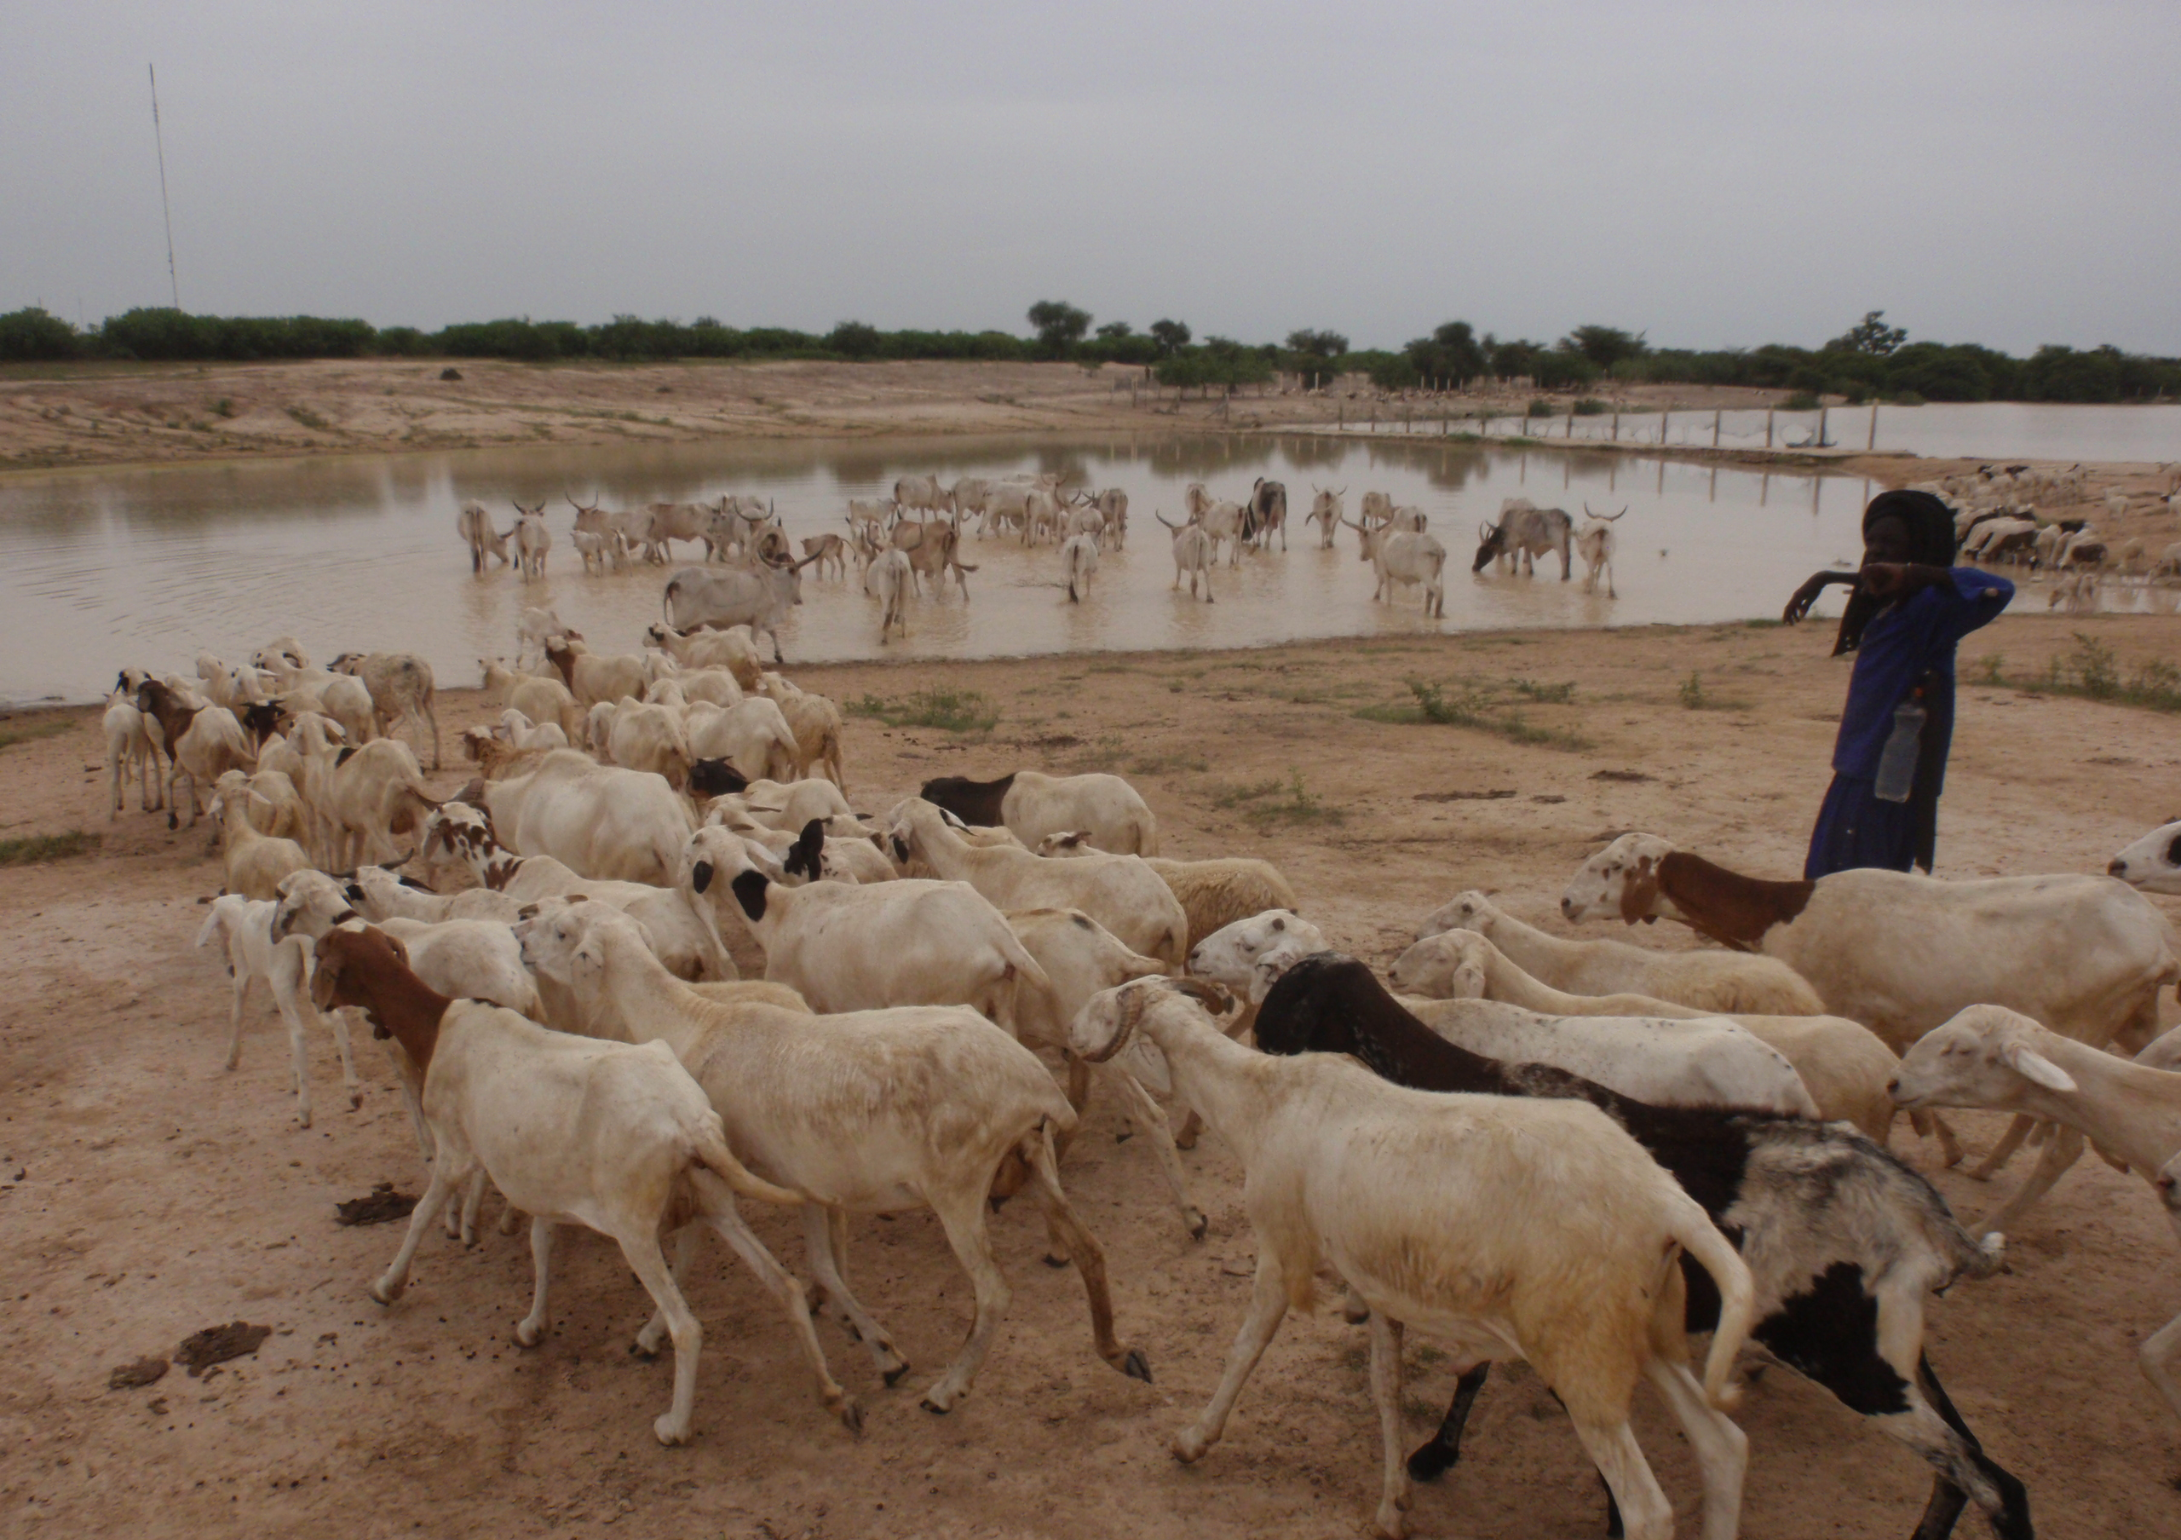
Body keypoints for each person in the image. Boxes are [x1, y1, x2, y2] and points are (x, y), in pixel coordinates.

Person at [1782, 489, 2012, 879]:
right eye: (1871, 542)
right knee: (1829, 876)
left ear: (1918, 551)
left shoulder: (1930, 608)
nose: (1875, 551)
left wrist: (1912, 574)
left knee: (1857, 883)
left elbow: (1999, 589)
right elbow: (1880, 576)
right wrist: (1827, 577)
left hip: (1887, 774)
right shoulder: (1894, 603)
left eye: (1889, 543)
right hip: (1856, 765)